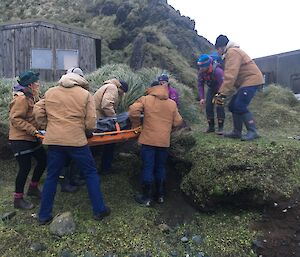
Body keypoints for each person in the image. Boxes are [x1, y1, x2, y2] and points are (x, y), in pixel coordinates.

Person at [34, 71, 110, 224]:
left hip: (55, 140)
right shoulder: (85, 94)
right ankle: (99, 210)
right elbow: (90, 122)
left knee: (51, 177)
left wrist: (47, 126)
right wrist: (87, 132)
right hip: (76, 141)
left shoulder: (51, 92)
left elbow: (37, 109)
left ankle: (43, 216)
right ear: (80, 81)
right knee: (90, 173)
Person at [129, 80, 183, 206]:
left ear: (152, 88)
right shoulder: (172, 103)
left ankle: (146, 198)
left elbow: (133, 110)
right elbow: (178, 122)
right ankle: (160, 196)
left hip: (148, 140)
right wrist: (168, 129)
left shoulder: (146, 99)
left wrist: (136, 126)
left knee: (148, 167)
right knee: (160, 168)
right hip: (164, 142)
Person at [213, 35, 264, 141]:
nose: (217, 52)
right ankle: (237, 132)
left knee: (240, 105)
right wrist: (221, 93)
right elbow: (231, 77)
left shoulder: (232, 52)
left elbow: (230, 75)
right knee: (232, 105)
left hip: (251, 80)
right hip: (246, 82)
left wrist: (221, 94)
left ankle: (253, 131)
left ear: (222, 47)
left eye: (217, 49)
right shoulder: (230, 53)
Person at [8, 71, 47, 210]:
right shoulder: (21, 99)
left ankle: (33, 188)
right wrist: (33, 130)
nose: (39, 84)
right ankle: (18, 199)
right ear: (30, 85)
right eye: (37, 82)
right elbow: (15, 119)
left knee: (43, 160)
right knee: (24, 168)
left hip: (32, 137)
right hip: (20, 139)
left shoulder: (32, 97)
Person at [93, 78, 128, 174]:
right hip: (100, 121)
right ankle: (105, 168)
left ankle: (100, 168)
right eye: (121, 93)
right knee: (109, 143)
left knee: (97, 146)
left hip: (96, 119)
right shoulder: (112, 88)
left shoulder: (108, 86)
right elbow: (106, 105)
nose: (121, 95)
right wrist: (115, 119)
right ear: (120, 89)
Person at [197, 54, 225, 134]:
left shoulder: (218, 71)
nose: (200, 69)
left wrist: (219, 95)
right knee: (208, 106)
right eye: (200, 67)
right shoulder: (201, 72)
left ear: (208, 65)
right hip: (212, 88)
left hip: (221, 88)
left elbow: (222, 84)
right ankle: (211, 127)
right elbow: (200, 84)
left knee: (219, 105)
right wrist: (202, 98)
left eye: (202, 67)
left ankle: (220, 128)